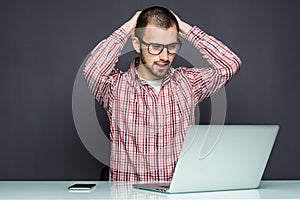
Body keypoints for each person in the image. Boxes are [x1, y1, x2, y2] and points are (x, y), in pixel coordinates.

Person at [83, 6, 242, 182]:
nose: (164, 57)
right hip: (128, 195)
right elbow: (92, 70)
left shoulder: (189, 83)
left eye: (171, 47)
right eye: (156, 47)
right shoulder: (114, 87)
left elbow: (230, 64)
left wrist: (182, 27)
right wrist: (128, 27)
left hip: (176, 194)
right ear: (137, 44)